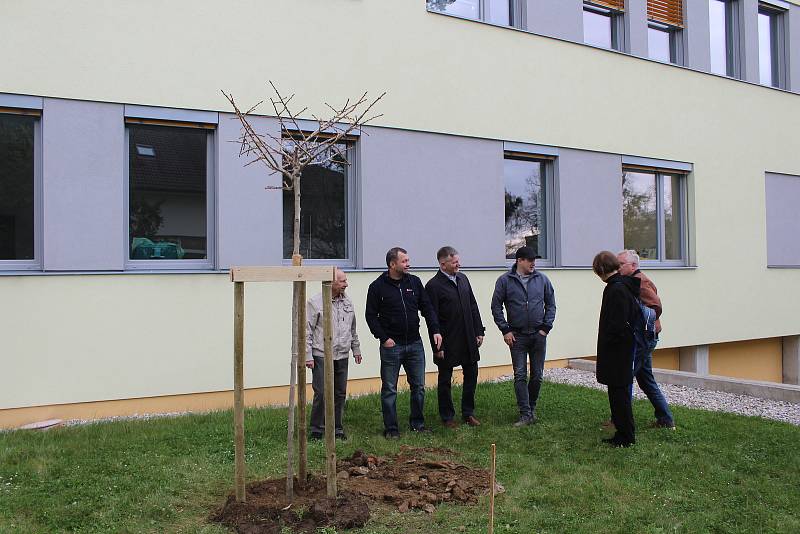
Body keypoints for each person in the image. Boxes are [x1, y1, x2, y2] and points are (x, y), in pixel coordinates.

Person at [365, 247, 442, 439]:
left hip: (415, 344)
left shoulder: (414, 282)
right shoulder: (377, 287)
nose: (408, 264)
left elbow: (427, 308)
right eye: (404, 261)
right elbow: (371, 316)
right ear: (392, 264)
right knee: (390, 389)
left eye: (408, 260)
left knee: (419, 387)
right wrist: (384, 338)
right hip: (392, 346)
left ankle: (417, 423)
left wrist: (435, 330)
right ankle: (391, 429)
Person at [490, 246, 556, 426]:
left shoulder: (542, 279)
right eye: (529, 260)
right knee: (520, 375)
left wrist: (545, 328)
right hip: (517, 337)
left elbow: (551, 304)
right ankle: (525, 414)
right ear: (519, 261)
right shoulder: (505, 280)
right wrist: (505, 330)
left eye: (534, 259)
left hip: (538, 335)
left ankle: (531, 409)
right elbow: (496, 307)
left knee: (537, 376)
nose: (533, 263)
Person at [424, 246, 485, 428]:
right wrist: (437, 348)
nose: (459, 264)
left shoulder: (463, 279)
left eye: (458, 260)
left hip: (468, 337)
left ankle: (468, 413)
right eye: (454, 262)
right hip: (447, 341)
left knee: (472, 374)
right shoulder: (433, 286)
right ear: (443, 264)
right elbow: (431, 318)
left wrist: (479, 331)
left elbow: (473, 306)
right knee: (445, 380)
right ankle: (447, 416)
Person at [617, 250, 675, 429]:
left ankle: (620, 420)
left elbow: (656, 306)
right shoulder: (633, 281)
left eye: (621, 265)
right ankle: (665, 419)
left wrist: (640, 322)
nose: (617, 268)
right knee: (646, 380)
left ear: (633, 266)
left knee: (624, 378)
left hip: (644, 339)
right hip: (645, 338)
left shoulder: (641, 282)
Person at [305, 268, 362, 440]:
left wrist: (356, 349)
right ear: (331, 282)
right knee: (322, 392)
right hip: (321, 354)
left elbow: (352, 328)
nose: (346, 284)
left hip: (342, 354)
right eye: (342, 281)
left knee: (339, 392)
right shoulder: (315, 302)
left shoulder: (348, 303)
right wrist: (308, 355)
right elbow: (306, 330)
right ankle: (317, 428)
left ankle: (337, 427)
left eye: (345, 280)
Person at [592, 250, 640, 448]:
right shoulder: (619, 286)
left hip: (618, 351)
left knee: (619, 395)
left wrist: (609, 342)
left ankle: (625, 436)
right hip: (619, 349)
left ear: (602, 270)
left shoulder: (617, 289)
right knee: (617, 393)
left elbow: (618, 323)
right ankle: (622, 432)